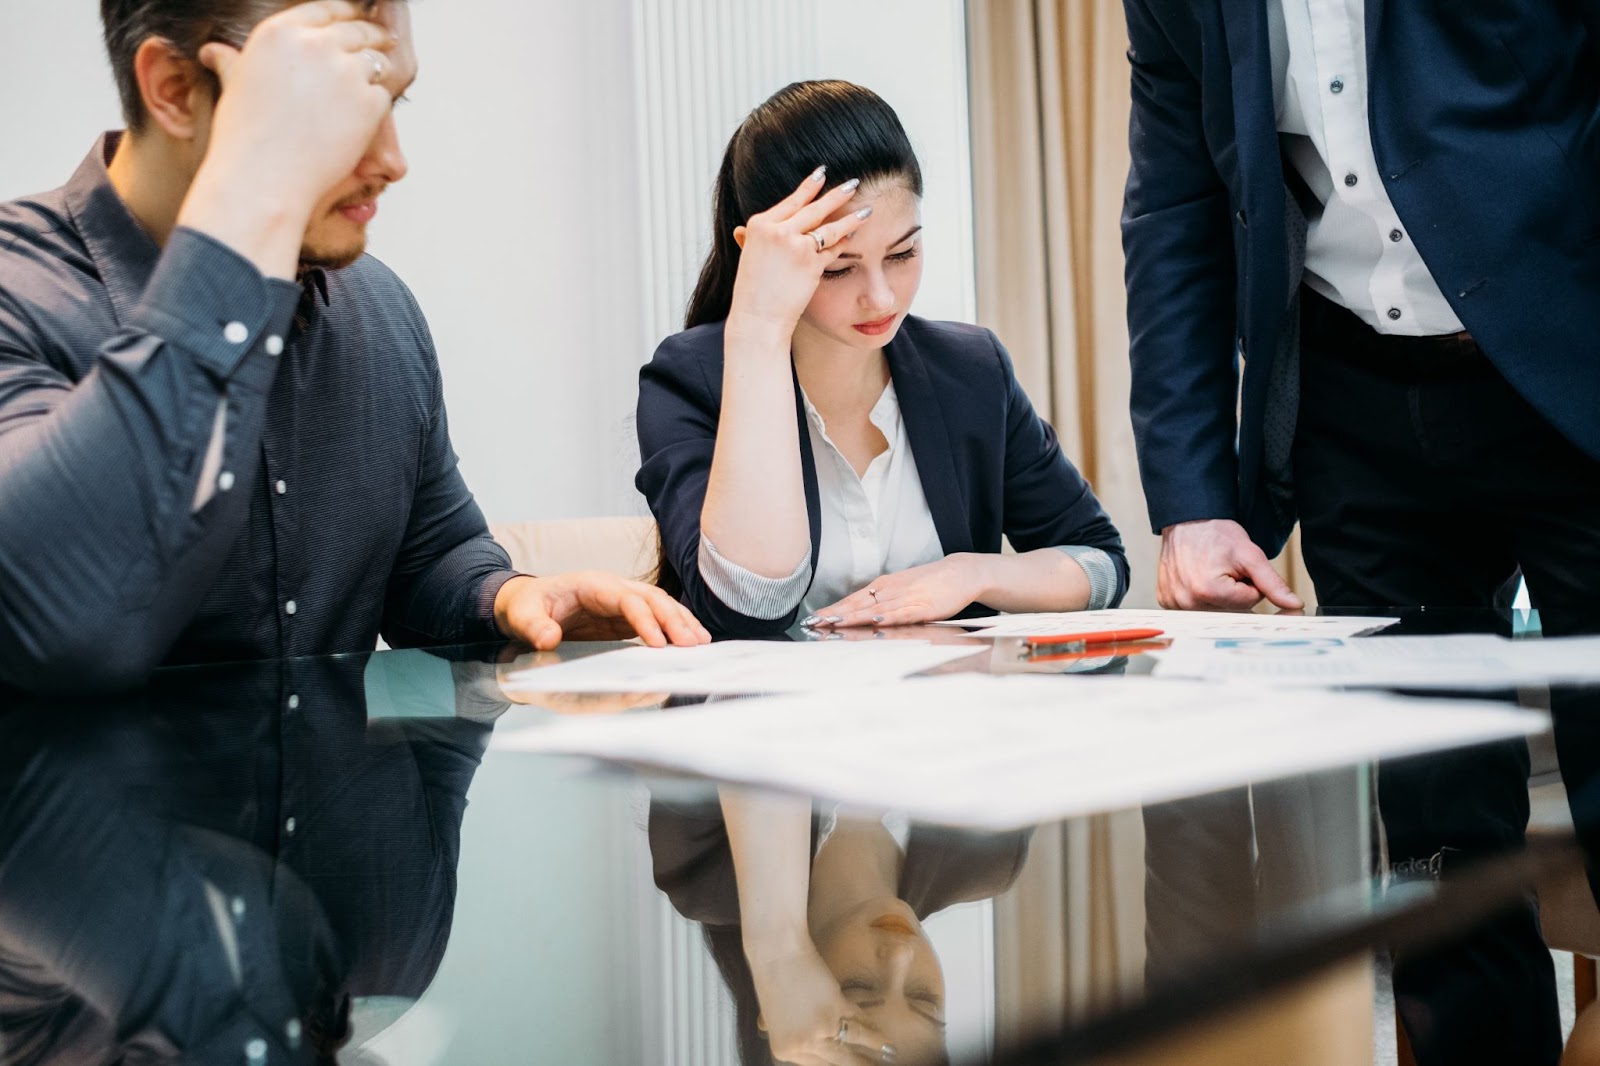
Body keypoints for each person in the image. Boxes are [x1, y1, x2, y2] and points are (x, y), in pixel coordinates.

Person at [1119, 2, 1600, 1062]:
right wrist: (1194, 498)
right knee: (1436, 839)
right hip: (1357, 410)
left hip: (1573, 374)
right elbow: (1177, 213)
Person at [0, 0, 708, 694]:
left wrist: (503, 597)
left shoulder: (379, 306)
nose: (392, 160)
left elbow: (431, 556)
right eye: (332, 106)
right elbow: (65, 618)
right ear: (176, 91)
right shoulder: (19, 292)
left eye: (391, 105)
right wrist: (242, 219)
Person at [636, 81, 1127, 639]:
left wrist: (972, 574)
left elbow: (1102, 565)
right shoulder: (689, 380)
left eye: (903, 253)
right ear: (765, 256)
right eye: (839, 267)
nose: (882, 298)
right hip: (759, 718)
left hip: (945, 717)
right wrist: (759, 326)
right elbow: (750, 606)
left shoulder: (970, 368)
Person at [650, 786, 1030, 1066]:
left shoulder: (702, 869)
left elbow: (732, 700)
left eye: (860, 989)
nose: (901, 953)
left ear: (780, 1003)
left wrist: (778, 950)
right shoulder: (988, 857)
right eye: (926, 1002)